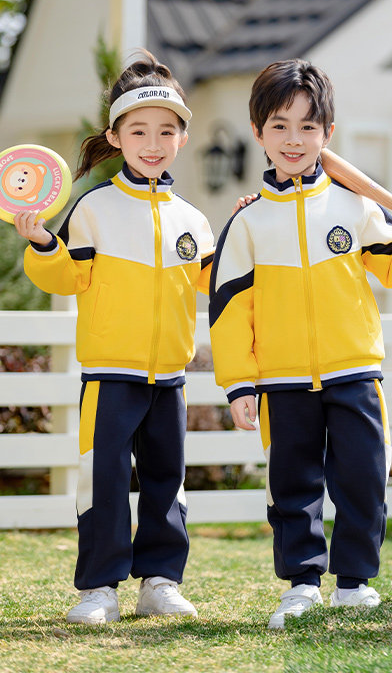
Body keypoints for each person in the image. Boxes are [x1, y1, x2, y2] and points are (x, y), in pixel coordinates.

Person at [209, 58, 392, 630]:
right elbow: (230, 312)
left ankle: (354, 583)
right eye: (279, 126)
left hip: (354, 371)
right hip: (281, 380)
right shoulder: (247, 223)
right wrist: (239, 382)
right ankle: (303, 583)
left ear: (327, 134)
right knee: (293, 486)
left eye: (308, 127)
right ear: (258, 132)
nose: (294, 139)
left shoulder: (354, 205)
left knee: (363, 477)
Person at [15, 52, 213, 625]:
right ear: (115, 137)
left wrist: (245, 228)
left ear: (182, 139)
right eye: (139, 131)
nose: (153, 143)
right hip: (109, 376)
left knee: (166, 482)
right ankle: (99, 588)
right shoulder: (93, 209)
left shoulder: (192, 219)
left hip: (170, 378)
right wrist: (43, 243)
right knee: (102, 482)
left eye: (166, 131)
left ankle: (161, 582)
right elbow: (66, 276)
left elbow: (217, 281)